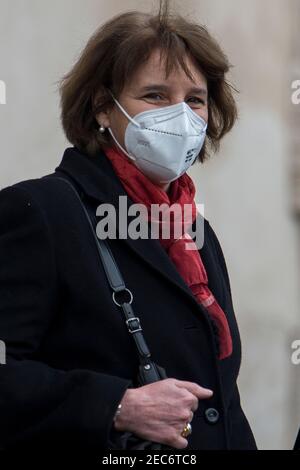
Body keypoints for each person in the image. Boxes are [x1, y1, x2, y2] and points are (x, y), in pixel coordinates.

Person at [0, 1, 257, 452]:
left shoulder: (191, 228)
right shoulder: (41, 210)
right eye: (156, 95)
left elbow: (221, 402)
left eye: (195, 99)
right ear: (102, 107)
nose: (181, 116)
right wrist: (115, 406)